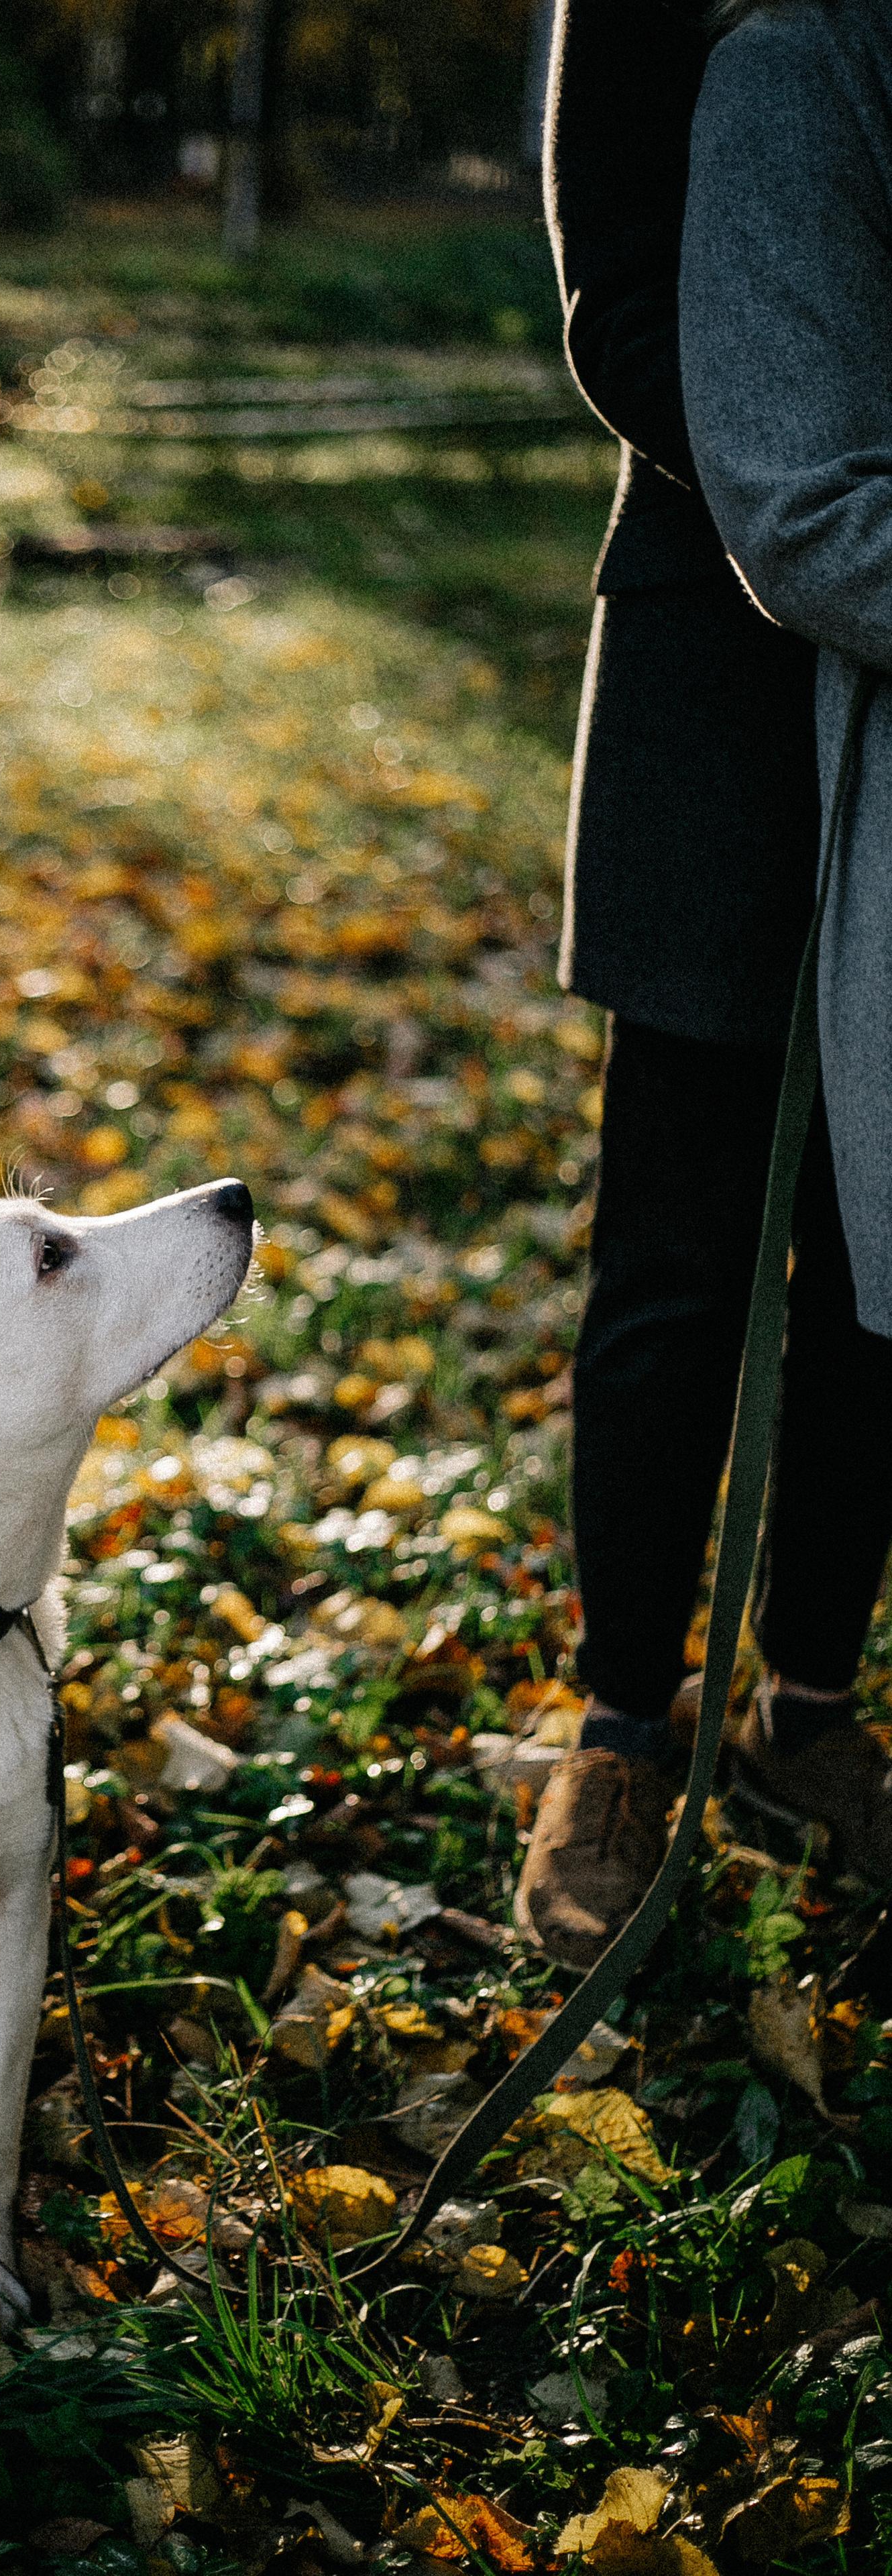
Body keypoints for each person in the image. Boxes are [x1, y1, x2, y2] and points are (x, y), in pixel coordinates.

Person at [511, 0, 892, 1971]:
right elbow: (620, 314)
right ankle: (619, 1728)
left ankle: (808, 1706)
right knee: (672, 1242)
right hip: (711, 655)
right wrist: (806, 457)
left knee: (878, 1238)